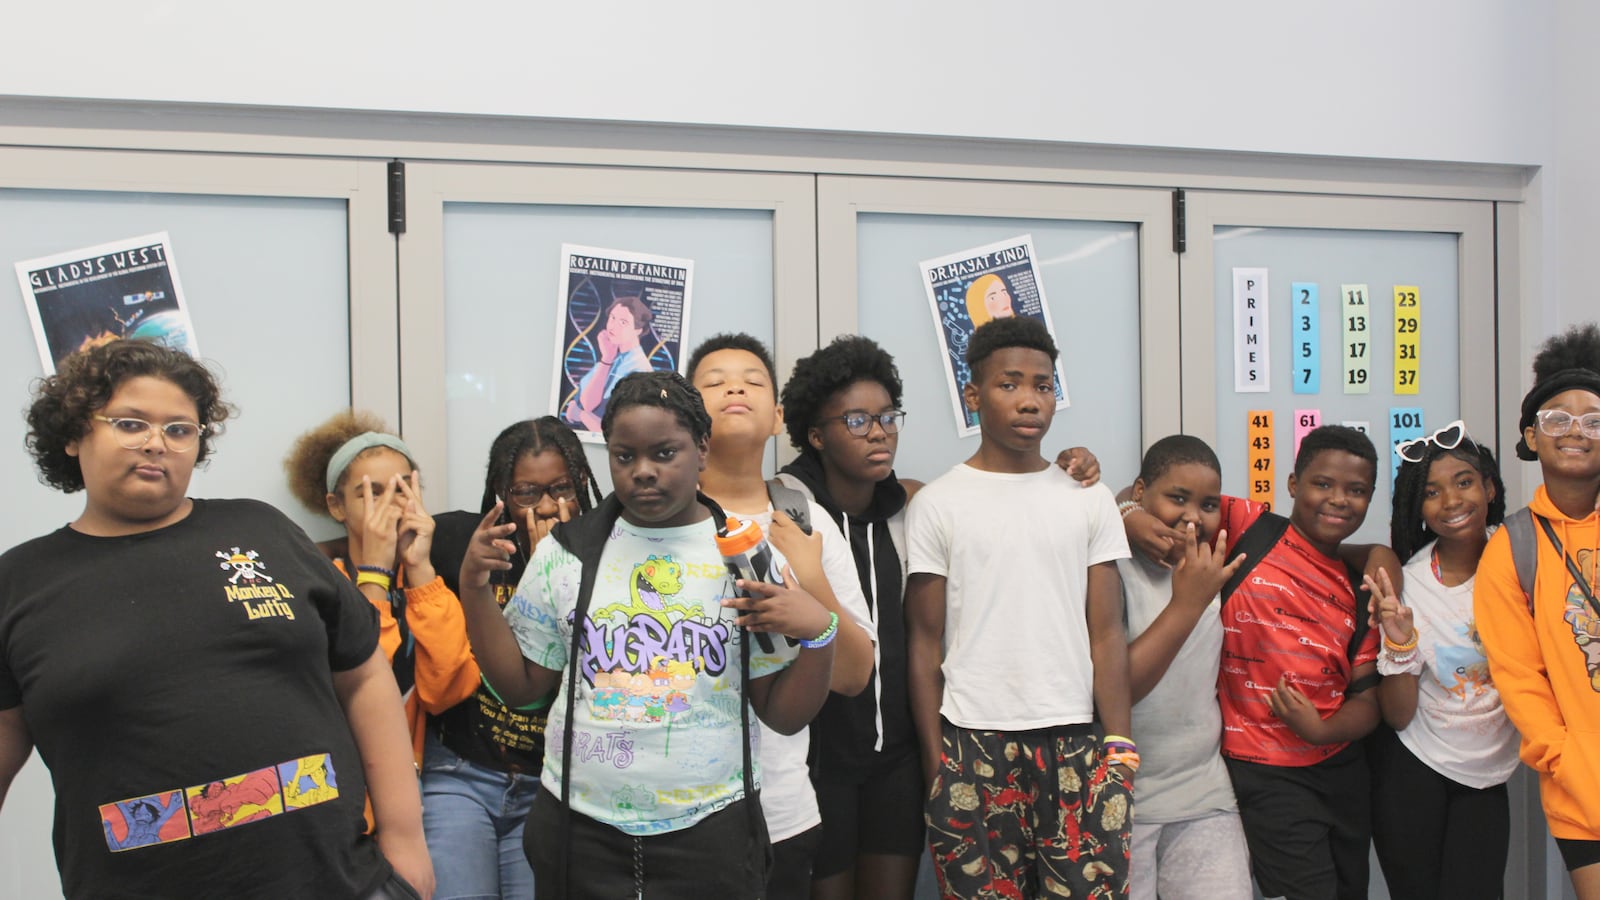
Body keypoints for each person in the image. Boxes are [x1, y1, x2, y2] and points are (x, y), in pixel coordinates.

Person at [0, 339, 433, 899]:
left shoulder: (261, 532)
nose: (157, 443)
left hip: (342, 883)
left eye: (180, 429)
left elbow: (365, 673)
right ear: (73, 432)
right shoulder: (22, 582)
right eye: (130, 424)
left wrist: (406, 843)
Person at [456, 370, 838, 898]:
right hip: (578, 830)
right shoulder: (568, 552)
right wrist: (474, 589)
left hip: (710, 832)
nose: (642, 472)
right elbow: (522, 689)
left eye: (664, 453)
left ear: (701, 448)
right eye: (624, 456)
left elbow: (782, 713)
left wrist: (821, 635)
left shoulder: (745, 555)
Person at [773, 335, 1102, 900]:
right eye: (856, 420)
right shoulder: (787, 508)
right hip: (819, 757)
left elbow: (1009, 496)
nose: (878, 431)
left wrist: (1105, 492)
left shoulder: (909, 506)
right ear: (815, 433)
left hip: (896, 759)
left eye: (886, 417)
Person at [906, 316, 1134, 899]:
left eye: (1043, 385)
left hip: (1077, 739)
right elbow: (924, 642)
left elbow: (1106, 631)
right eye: (1010, 384)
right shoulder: (938, 504)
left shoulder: (1088, 499)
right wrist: (937, 766)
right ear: (973, 396)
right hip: (971, 738)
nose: (1030, 401)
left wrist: (1121, 748)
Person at [685, 333, 878, 900]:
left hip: (781, 811)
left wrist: (810, 580)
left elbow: (854, 676)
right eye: (715, 382)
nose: (735, 387)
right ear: (687, 415)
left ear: (777, 418)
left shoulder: (805, 518)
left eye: (751, 380)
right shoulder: (659, 516)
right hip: (669, 814)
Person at [422, 417, 605, 900]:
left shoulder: (609, 551)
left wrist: (557, 567)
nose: (547, 505)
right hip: (462, 772)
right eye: (527, 491)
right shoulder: (460, 539)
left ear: (582, 483)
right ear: (500, 491)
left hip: (552, 788)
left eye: (561, 488)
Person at [1210, 424, 1389, 900]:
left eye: (1356, 491)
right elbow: (1169, 494)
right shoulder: (1250, 530)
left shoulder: (1360, 589)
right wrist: (1127, 505)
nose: (1338, 500)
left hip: (1341, 770)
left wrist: (1321, 729)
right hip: (1265, 769)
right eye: (1322, 484)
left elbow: (1368, 699)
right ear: (1293, 485)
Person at [1365, 420, 1517, 899]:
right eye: (1432, 492)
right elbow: (1398, 714)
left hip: (1488, 769)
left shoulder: (1522, 565)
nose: (1451, 501)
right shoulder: (1408, 584)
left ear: (1490, 487)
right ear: (1418, 508)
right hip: (1412, 765)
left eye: (1465, 482)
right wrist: (1401, 641)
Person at [1476, 323, 1600, 898]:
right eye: (1558, 418)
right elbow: (1519, 678)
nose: (1576, 432)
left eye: (1595, 419)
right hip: (1585, 795)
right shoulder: (1514, 547)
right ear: (1531, 433)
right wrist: (1570, 763)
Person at [285, 412, 477, 769]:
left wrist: (420, 569)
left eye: (402, 489)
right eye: (372, 493)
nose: (391, 504)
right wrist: (374, 574)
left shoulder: (425, 582)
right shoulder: (319, 586)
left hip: (409, 781)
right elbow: (362, 697)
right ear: (336, 506)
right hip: (348, 785)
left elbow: (446, 692)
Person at [1115, 435, 1251, 900]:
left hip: (1203, 796)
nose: (1194, 515)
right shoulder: (1110, 564)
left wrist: (1375, 553)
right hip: (1118, 804)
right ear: (1139, 491)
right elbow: (1118, 687)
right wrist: (1124, 513)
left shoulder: (1219, 561)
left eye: (1209, 504)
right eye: (1177, 498)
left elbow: (1313, 536)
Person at [563, 292, 656, 433]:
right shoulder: (613, 355)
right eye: (612, 318)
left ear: (638, 330)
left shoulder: (640, 369)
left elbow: (621, 432)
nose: (613, 326)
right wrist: (606, 358)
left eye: (623, 322)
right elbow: (588, 403)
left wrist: (581, 415)